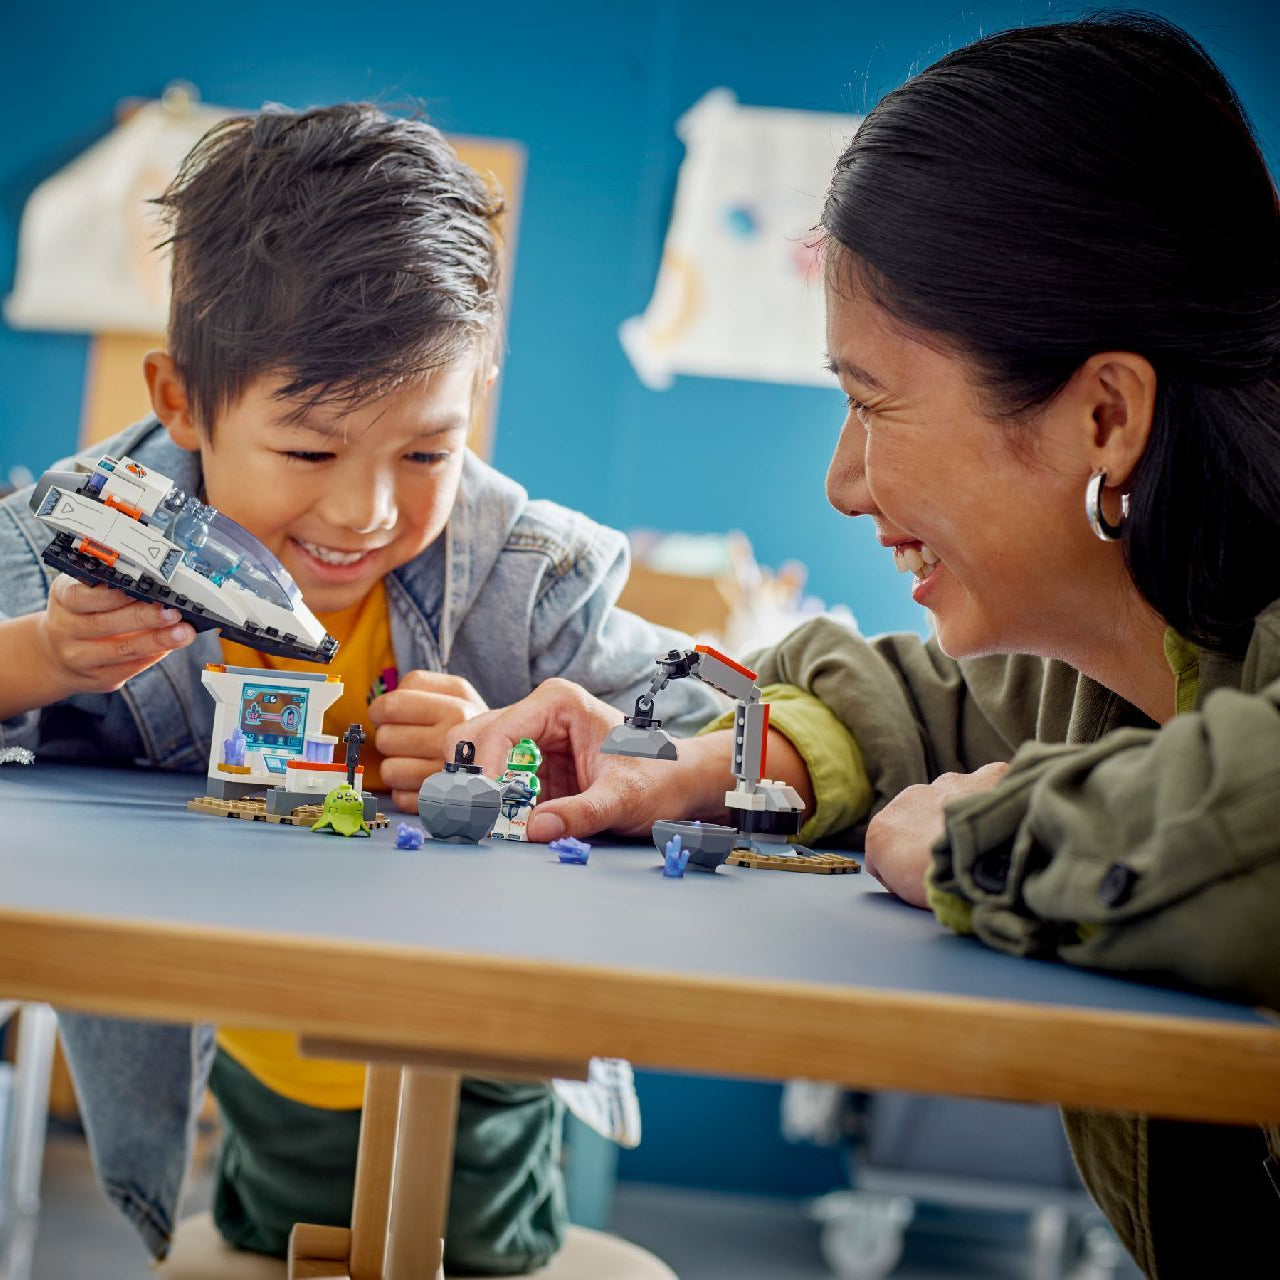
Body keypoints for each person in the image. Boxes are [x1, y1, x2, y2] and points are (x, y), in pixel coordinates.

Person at [451, 15, 1280, 1276]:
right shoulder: (1120, 665)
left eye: (871, 401)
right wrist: (730, 757)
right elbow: (944, 707)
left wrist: (964, 837)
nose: (843, 482)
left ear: (1103, 413)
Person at [0, 104, 717, 1271]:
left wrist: (511, 753)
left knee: (482, 1247)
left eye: (426, 452)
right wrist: (39, 655)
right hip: (244, 1065)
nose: (366, 511)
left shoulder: (526, 575)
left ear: (476, 395)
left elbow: (702, 735)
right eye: (311, 451)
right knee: (269, 1233)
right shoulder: (85, 534)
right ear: (183, 401)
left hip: (469, 1051)